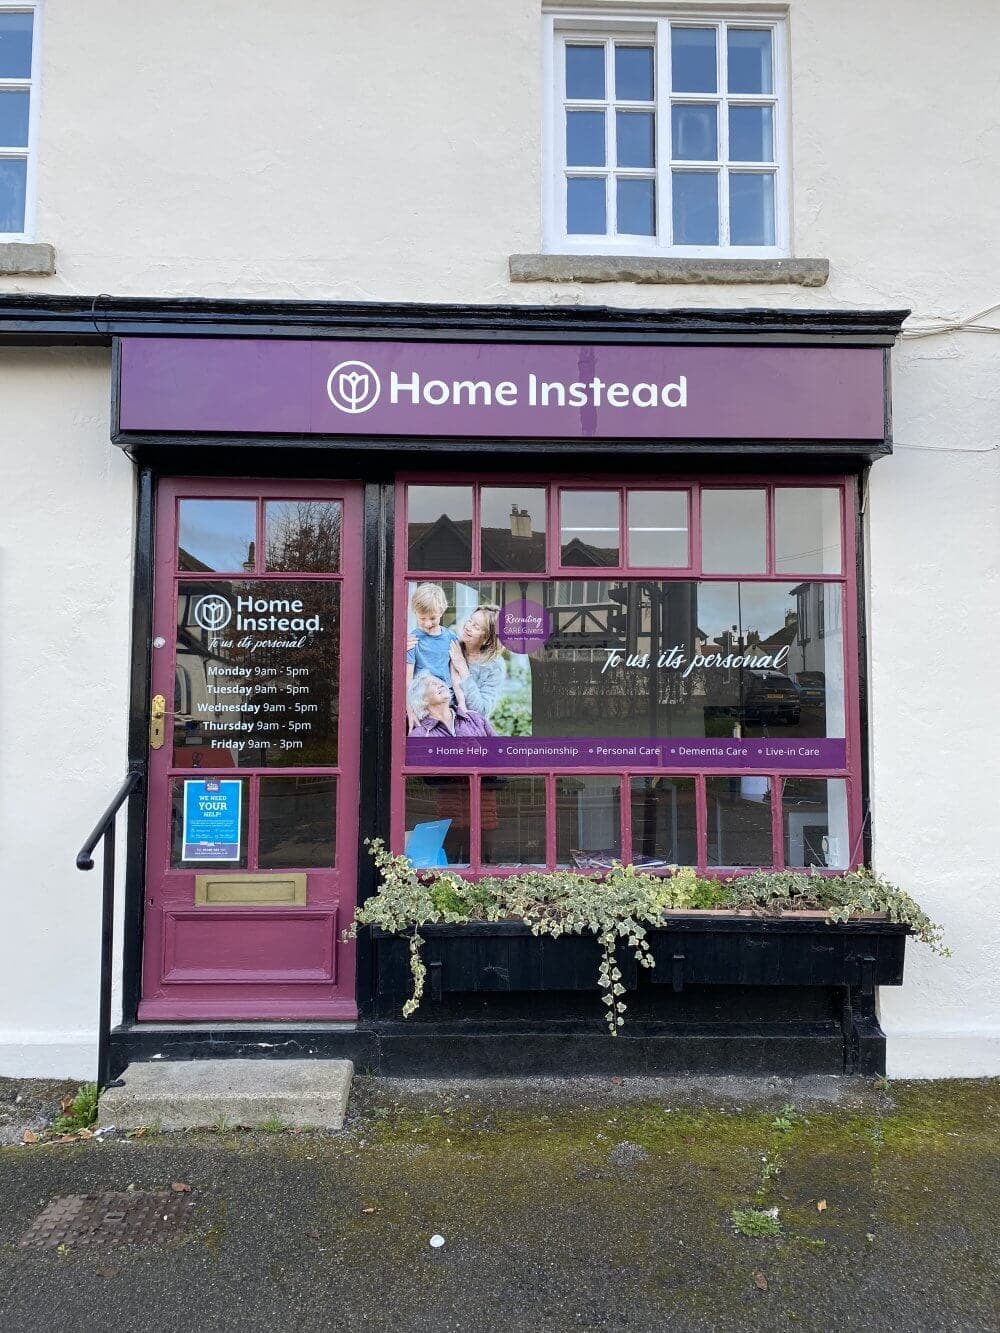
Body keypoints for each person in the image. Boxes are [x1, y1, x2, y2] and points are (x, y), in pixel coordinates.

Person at [406, 582, 465, 730]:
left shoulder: (451, 637)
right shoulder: (412, 640)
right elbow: (407, 681)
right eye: (422, 618)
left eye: (432, 618)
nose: (427, 623)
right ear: (415, 613)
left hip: (448, 700)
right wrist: (410, 710)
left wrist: (462, 703)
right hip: (423, 704)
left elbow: (455, 674)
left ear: (442, 611)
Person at [449, 604, 506, 719]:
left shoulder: (495, 666)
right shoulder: (452, 646)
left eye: (476, 627)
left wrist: (463, 668)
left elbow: (481, 710)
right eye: (470, 620)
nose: (468, 627)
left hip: (468, 727)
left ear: (487, 639)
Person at [407, 671, 496, 738]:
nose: (440, 684)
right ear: (422, 700)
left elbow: (499, 753)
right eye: (432, 684)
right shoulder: (420, 736)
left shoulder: (475, 718)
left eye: (439, 682)